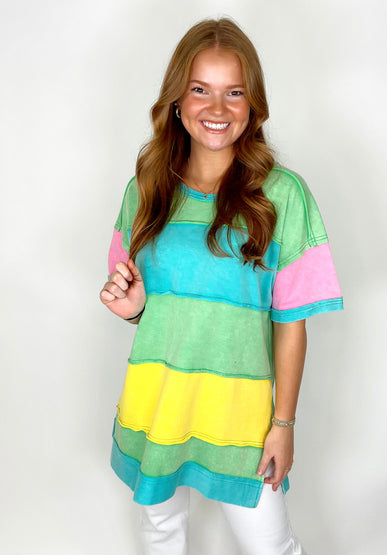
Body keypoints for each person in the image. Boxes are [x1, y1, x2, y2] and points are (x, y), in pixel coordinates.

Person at [99, 17, 343, 555]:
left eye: (234, 92)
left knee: (271, 547)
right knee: (161, 533)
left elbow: (291, 323)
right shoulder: (146, 188)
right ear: (177, 101)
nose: (217, 108)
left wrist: (283, 424)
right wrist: (135, 308)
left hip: (240, 416)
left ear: (252, 103)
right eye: (200, 90)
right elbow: (149, 302)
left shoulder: (283, 195)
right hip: (158, 403)